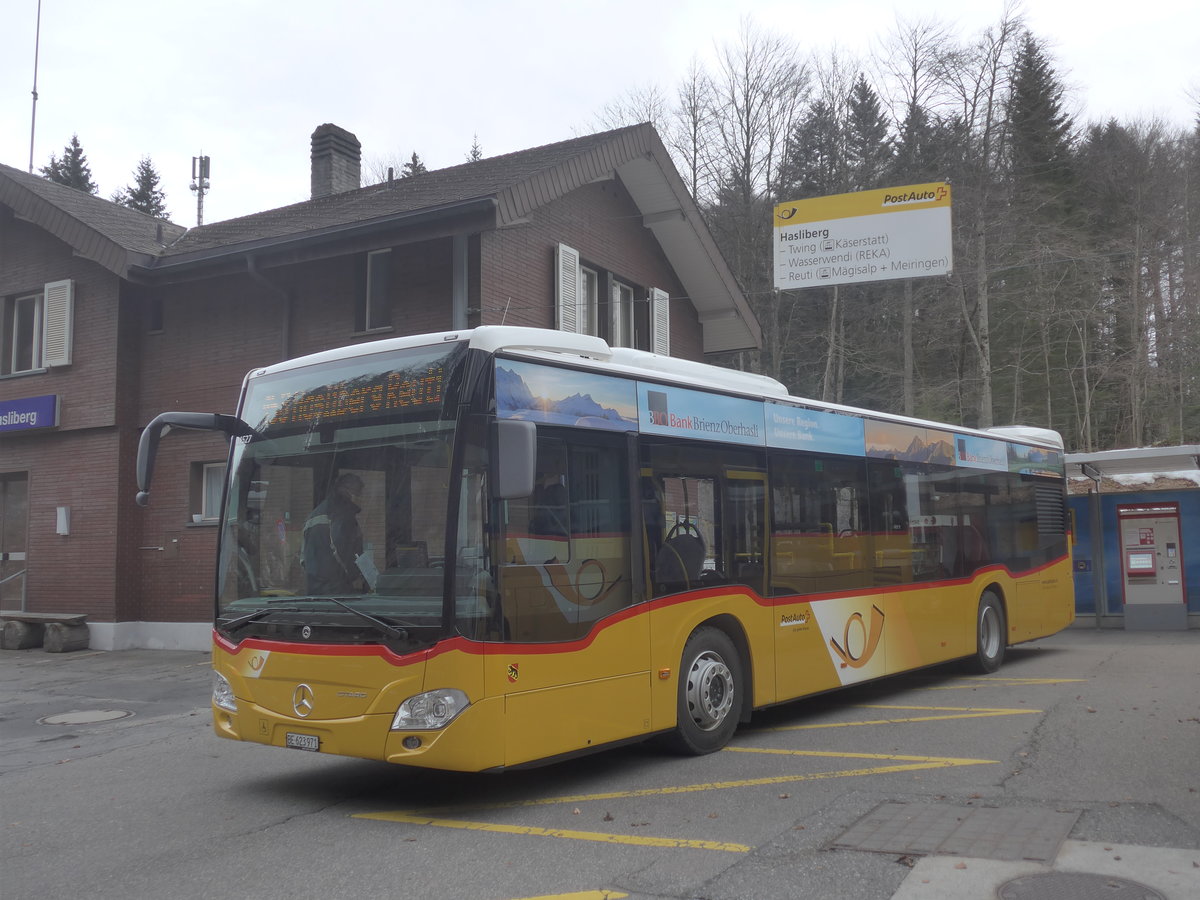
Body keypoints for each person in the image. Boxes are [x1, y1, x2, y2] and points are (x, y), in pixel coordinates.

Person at [302, 473, 365, 594]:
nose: (361, 497)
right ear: (346, 490)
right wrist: (355, 575)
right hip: (338, 591)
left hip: (314, 590)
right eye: (358, 492)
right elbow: (342, 549)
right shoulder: (343, 514)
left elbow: (303, 558)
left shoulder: (313, 516)